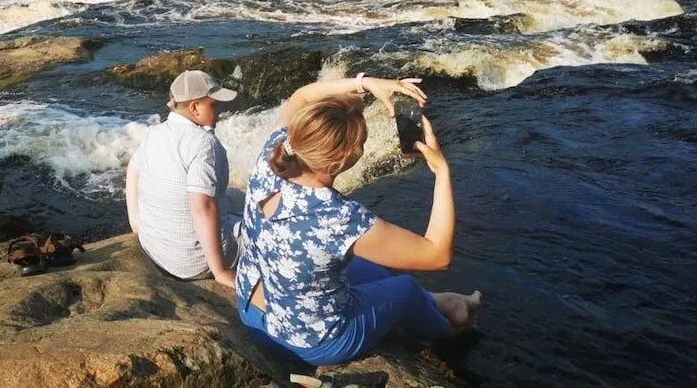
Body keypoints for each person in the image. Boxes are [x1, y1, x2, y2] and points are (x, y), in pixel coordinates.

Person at [235, 73, 481, 366]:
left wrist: (366, 84)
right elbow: (437, 255)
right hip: (308, 341)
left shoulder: (275, 151)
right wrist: (441, 170)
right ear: (339, 163)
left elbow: (301, 95)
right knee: (404, 287)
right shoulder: (337, 217)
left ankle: (441, 301)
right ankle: (451, 328)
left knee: (372, 269)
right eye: (360, 144)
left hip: (252, 310)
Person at [125, 70, 242, 288]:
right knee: (264, 228)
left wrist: (137, 225)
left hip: (155, 250)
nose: (219, 110)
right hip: (193, 264)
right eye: (213, 105)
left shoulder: (155, 133)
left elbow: (133, 169)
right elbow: (202, 206)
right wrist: (220, 271)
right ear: (195, 107)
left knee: (236, 196)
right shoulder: (204, 144)